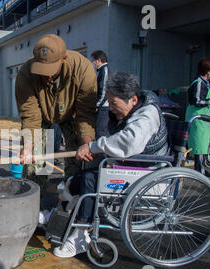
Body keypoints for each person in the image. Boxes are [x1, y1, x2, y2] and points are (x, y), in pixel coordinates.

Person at [51, 72, 171, 258]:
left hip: (149, 174)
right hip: (132, 167)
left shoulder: (147, 115)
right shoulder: (134, 107)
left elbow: (128, 143)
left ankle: (81, 236)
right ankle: (59, 218)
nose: (111, 108)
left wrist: (93, 146)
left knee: (91, 181)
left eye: (114, 103)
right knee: (79, 179)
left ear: (132, 100)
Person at [16, 34, 97, 193]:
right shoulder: (25, 74)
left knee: (77, 159)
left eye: (51, 70)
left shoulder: (83, 69)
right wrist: (27, 147)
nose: (46, 76)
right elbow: (30, 116)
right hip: (41, 115)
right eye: (42, 70)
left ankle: (70, 200)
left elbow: (85, 113)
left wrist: (86, 143)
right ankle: (33, 204)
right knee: (35, 164)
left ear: (64, 59)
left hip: (73, 112)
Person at [185, 57, 210, 176]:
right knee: (199, 147)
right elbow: (196, 100)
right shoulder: (199, 83)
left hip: (204, 120)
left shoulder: (205, 83)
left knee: (204, 146)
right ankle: (200, 176)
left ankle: (202, 174)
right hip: (198, 119)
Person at [91, 50, 110, 138]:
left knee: (101, 131)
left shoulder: (104, 70)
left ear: (98, 60)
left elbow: (103, 91)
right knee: (100, 130)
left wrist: (97, 105)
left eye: (93, 60)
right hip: (102, 105)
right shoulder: (102, 71)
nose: (93, 63)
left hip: (104, 107)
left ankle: (102, 151)